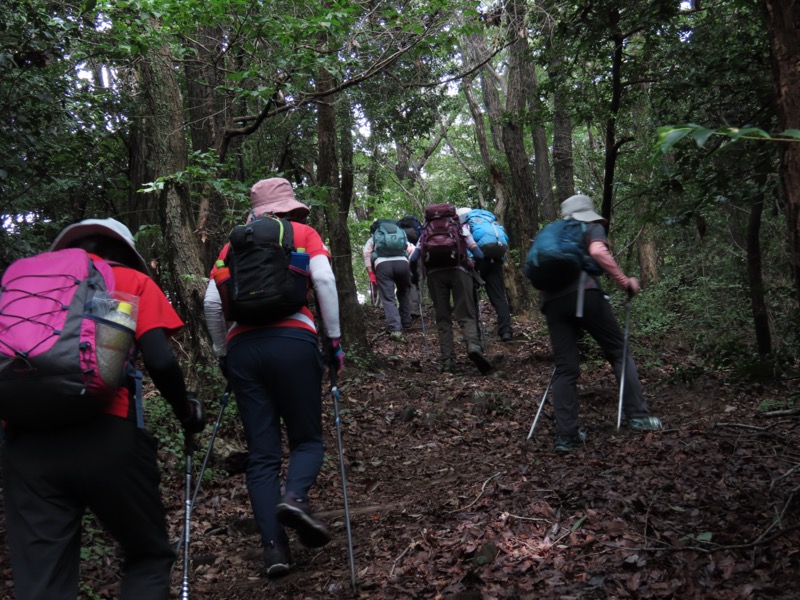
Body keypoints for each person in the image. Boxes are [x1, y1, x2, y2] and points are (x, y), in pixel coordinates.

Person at [1, 218, 206, 599]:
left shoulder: (23, 288)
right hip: (107, 434)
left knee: (41, 580)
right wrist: (185, 411)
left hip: (25, 444)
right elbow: (160, 361)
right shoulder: (128, 280)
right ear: (125, 252)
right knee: (146, 554)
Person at [204, 177, 344, 577]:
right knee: (307, 439)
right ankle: (295, 498)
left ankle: (274, 550)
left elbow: (212, 304)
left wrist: (222, 354)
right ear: (290, 207)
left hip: (244, 351)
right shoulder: (303, 233)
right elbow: (324, 282)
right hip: (294, 341)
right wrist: (333, 343)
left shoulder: (233, 245)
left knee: (262, 456)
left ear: (256, 211)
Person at [541, 195, 661, 453]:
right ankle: (638, 416)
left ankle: (566, 436)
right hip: (585, 293)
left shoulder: (554, 233)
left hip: (552, 301)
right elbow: (597, 251)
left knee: (565, 368)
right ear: (588, 212)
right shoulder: (589, 226)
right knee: (619, 351)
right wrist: (624, 281)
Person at [409, 204, 491, 375]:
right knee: (466, 314)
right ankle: (473, 346)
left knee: (443, 319)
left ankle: (448, 362)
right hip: (459, 272)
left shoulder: (426, 231)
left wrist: (415, 277)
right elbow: (479, 254)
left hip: (434, 276)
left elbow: (413, 258)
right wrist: (476, 268)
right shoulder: (459, 228)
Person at [457, 207, 514, 342]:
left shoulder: (465, 224)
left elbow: (466, 245)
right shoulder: (488, 221)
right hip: (495, 260)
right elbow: (504, 239)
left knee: (471, 298)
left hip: (476, 262)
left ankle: (474, 334)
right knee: (499, 297)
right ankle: (506, 331)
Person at [362, 219, 416, 342]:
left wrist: (371, 272)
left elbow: (366, 253)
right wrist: (407, 262)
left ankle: (396, 328)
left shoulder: (375, 237)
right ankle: (406, 321)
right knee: (404, 292)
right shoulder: (400, 233)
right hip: (402, 264)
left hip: (382, 265)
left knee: (388, 297)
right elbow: (412, 249)